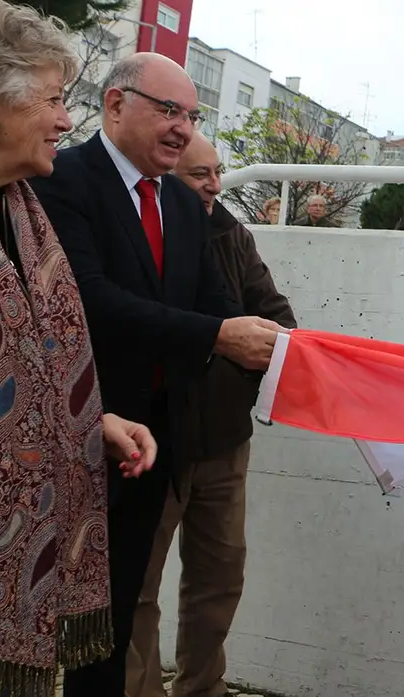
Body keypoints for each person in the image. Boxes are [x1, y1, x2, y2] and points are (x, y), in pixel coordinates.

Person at [28, 52, 286, 696]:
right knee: (89, 614)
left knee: (118, 610)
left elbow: (214, 302)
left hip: (161, 441)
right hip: (88, 431)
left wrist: (279, 345)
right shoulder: (63, 179)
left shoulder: (177, 197)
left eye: (192, 116)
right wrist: (219, 334)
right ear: (115, 105)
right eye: (168, 110)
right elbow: (90, 297)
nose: (181, 127)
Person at [0, 3, 159, 695]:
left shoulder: (19, 215)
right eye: (51, 99)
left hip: (1, 535)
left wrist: (87, 422)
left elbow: (19, 371)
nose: (65, 121)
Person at [126, 137, 296, 697]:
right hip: (151, 441)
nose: (215, 185)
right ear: (166, 174)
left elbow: (278, 322)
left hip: (223, 438)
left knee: (219, 578)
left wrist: (237, 378)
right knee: (137, 586)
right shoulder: (136, 235)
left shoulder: (231, 234)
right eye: (201, 174)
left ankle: (203, 688)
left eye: (218, 172)